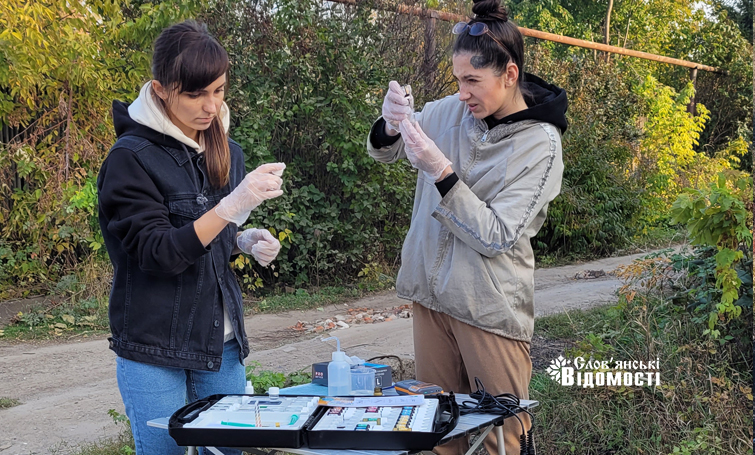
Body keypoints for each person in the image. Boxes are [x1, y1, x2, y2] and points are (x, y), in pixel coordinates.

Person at [367, 0, 567, 453]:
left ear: (509, 75)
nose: (462, 93)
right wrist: (392, 123)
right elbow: (386, 150)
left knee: (503, 437)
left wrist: (442, 172)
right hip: (431, 301)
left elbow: (495, 235)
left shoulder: (540, 144)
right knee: (435, 432)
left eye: (472, 80)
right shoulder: (450, 113)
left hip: (488, 309)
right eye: (458, 79)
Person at [97, 20, 284, 455]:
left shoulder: (227, 151)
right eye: (196, 94)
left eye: (219, 90)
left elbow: (209, 235)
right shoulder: (130, 158)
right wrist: (229, 209)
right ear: (161, 90)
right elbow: (158, 252)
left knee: (229, 450)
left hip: (221, 342)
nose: (211, 106)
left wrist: (242, 239)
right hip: (153, 345)